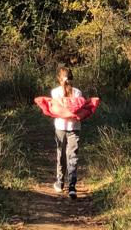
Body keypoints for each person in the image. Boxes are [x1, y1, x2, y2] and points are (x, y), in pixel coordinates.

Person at [51, 65, 82, 199]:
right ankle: (72, 187)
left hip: (60, 127)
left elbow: (54, 109)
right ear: (72, 79)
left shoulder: (55, 92)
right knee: (73, 155)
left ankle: (60, 182)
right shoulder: (78, 93)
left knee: (61, 154)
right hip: (74, 127)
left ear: (59, 79)